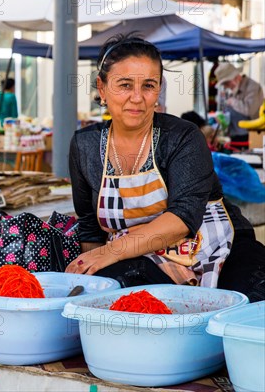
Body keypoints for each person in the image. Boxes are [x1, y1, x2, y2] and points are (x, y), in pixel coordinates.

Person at [66, 34, 265, 302]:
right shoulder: (85, 145)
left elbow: (182, 218)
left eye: (149, 85)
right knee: (117, 295)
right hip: (137, 257)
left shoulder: (182, 136)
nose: (137, 98)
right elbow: (90, 225)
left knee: (249, 301)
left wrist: (110, 253)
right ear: (101, 89)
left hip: (217, 248)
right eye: (124, 85)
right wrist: (91, 268)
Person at [215, 62, 264, 151]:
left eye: (226, 83)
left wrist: (232, 101)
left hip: (250, 136)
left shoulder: (252, 87)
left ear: (236, 77)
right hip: (234, 135)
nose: (226, 86)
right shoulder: (232, 88)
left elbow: (250, 110)